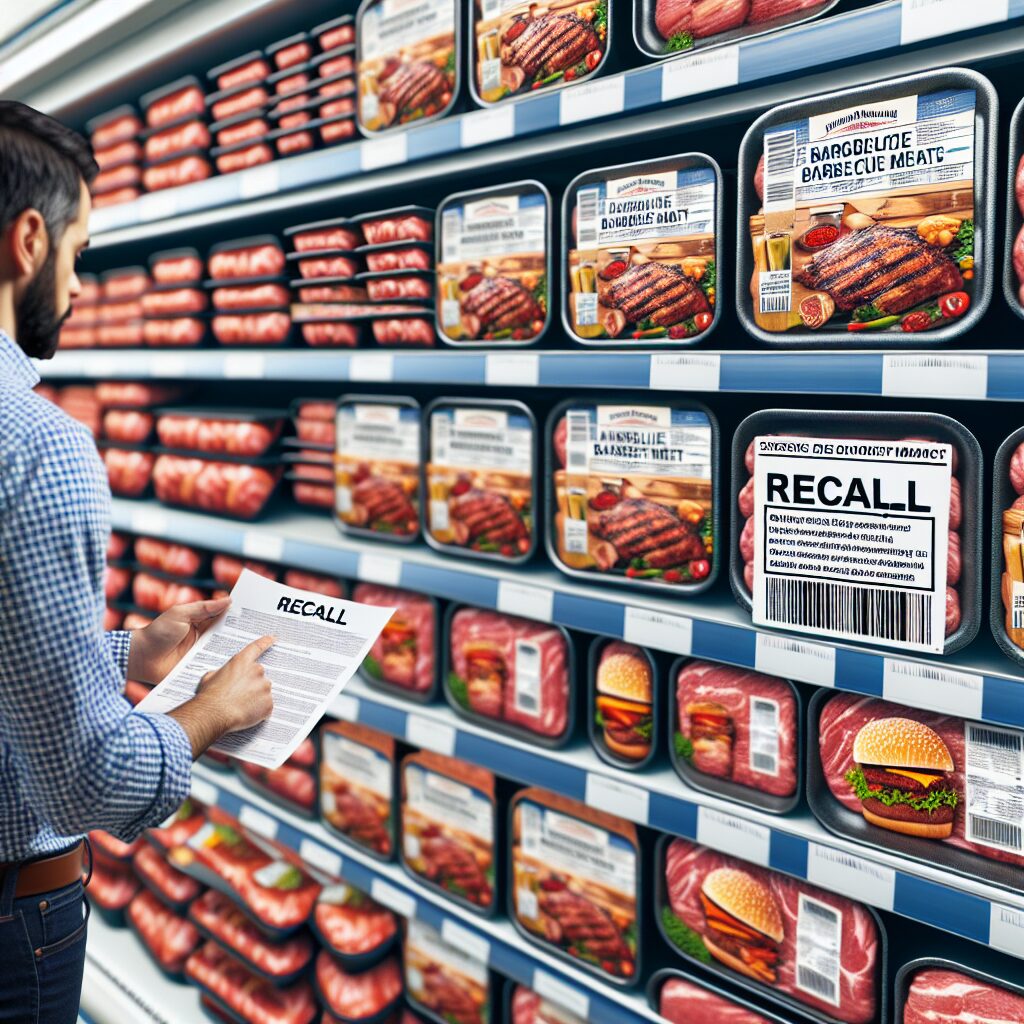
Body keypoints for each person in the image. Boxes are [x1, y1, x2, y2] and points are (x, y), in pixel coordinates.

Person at [0, 101, 276, 1023]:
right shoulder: (41, 448)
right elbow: (92, 784)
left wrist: (125, 654)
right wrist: (211, 711)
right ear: (29, 240)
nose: (78, 287)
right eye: (79, 253)